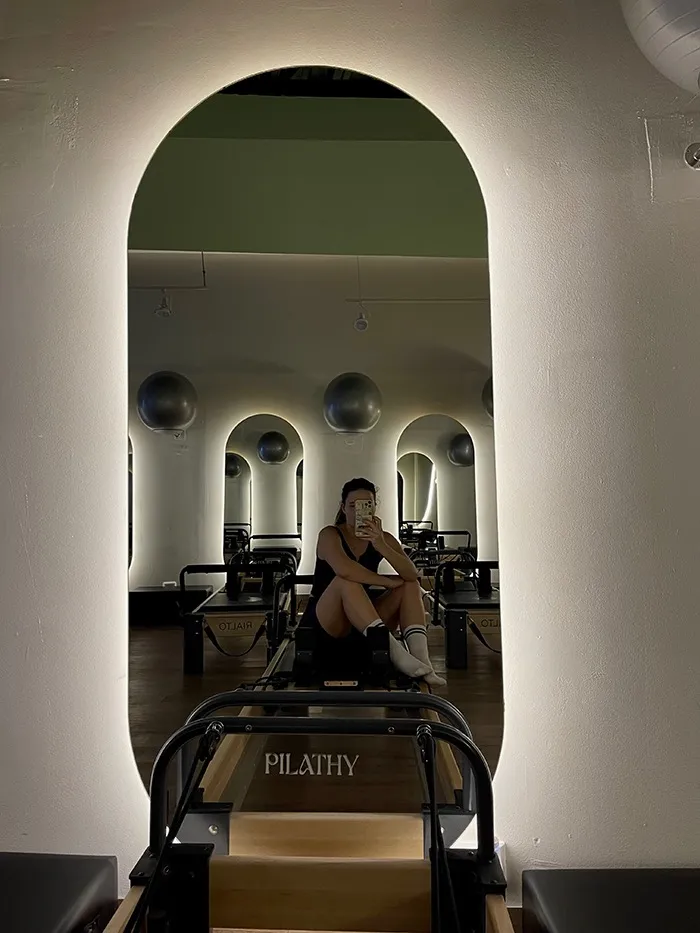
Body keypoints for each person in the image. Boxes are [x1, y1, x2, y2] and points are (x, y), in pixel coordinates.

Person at [303, 477, 446, 686]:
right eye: (353, 505)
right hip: (328, 617)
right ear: (343, 508)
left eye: (366, 505)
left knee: (410, 585)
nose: (358, 511)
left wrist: (380, 544)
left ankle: (422, 661)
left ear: (374, 507)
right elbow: (345, 569)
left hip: (364, 616)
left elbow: (411, 574)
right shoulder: (329, 534)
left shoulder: (383, 538)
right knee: (346, 581)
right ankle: (398, 655)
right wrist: (386, 581)